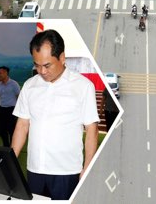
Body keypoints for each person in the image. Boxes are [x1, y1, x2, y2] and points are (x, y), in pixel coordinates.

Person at [12, 30, 99, 201]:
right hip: (35, 169)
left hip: (67, 172)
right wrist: (10, 162)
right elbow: (22, 125)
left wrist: (87, 167)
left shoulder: (83, 86)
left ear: (62, 57)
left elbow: (92, 129)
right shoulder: (29, 86)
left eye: (47, 65)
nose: (41, 71)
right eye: (37, 65)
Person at [0, 66, 21, 148]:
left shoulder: (14, 84)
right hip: (2, 109)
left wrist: (18, 110)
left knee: (11, 130)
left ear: (6, 73)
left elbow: (19, 97)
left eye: (0, 73)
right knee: (2, 130)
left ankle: (12, 147)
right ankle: (6, 146)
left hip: (11, 110)